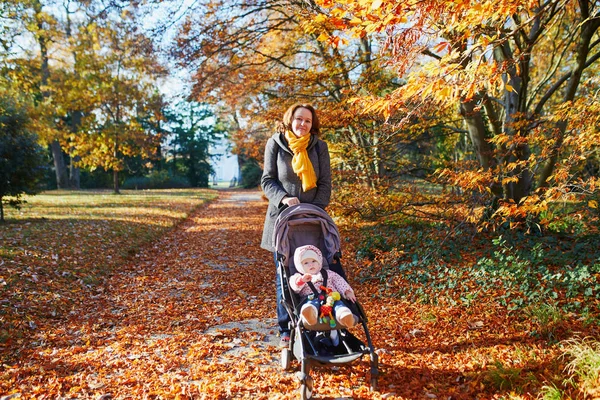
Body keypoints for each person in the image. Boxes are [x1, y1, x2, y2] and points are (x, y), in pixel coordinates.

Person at [260, 103, 332, 347]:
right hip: (282, 221)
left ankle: (316, 322)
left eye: (308, 121)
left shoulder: (319, 147)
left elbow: (325, 183)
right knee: (285, 275)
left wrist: (316, 209)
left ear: (313, 125)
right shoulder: (276, 143)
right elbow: (268, 180)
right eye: (299, 119)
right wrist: (283, 198)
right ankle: (286, 329)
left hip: (312, 222)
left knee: (315, 273)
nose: (303, 124)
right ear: (290, 120)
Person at [290, 245, 357, 329]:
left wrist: (347, 291)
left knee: (338, 304)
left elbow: (339, 281)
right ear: (300, 266)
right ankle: (310, 315)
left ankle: (344, 316)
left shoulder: (328, 273)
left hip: (331, 298)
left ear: (319, 262)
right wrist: (302, 280)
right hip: (311, 298)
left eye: (313, 261)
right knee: (311, 304)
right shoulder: (299, 276)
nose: (310, 264)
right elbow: (294, 287)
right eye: (306, 263)